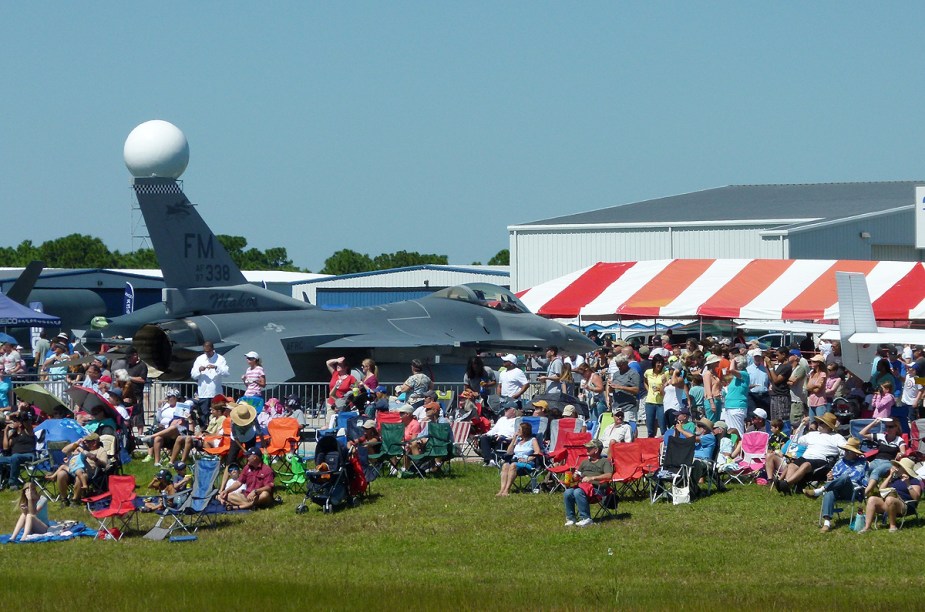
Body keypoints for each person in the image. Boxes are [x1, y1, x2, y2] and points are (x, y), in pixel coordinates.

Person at [802, 437, 868, 532]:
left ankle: (818, 491)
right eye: (845, 450)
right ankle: (827, 524)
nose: (846, 452)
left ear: (855, 453)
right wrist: (830, 477)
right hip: (837, 489)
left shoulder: (863, 463)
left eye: (849, 451)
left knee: (845, 477)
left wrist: (864, 491)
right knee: (829, 491)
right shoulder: (840, 462)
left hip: (852, 491)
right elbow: (832, 476)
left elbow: (866, 481)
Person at [774, 413, 845, 494]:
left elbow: (844, 451)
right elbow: (796, 441)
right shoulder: (812, 434)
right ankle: (787, 487)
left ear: (828, 426)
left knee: (806, 465)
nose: (818, 424)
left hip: (823, 461)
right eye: (818, 422)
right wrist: (802, 426)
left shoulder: (837, 437)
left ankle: (785, 484)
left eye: (821, 423)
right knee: (791, 465)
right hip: (806, 457)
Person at [858, 457, 922, 533]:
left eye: (899, 466)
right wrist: (890, 476)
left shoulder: (914, 481)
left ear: (905, 469)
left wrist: (908, 484)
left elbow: (916, 497)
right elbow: (881, 489)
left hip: (905, 505)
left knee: (890, 499)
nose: (896, 468)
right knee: (872, 499)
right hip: (889, 503)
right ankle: (867, 527)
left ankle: (893, 526)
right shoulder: (895, 479)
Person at [563, 439, 613, 527]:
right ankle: (571, 518)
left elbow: (609, 475)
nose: (587, 449)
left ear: (596, 450)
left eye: (589, 448)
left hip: (598, 490)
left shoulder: (604, 461)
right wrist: (574, 477)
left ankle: (586, 518)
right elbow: (577, 475)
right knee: (568, 492)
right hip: (583, 487)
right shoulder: (585, 462)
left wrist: (593, 478)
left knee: (578, 491)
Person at [48, 433, 108, 505]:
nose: (85, 442)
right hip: (73, 469)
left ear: (94, 442)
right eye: (85, 441)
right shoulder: (83, 447)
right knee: (61, 474)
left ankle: (75, 500)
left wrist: (95, 459)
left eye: (87, 441)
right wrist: (77, 443)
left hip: (88, 472)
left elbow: (104, 464)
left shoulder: (101, 451)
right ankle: (64, 499)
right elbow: (64, 450)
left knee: (80, 476)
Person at [859, 417, 907, 498]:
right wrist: (873, 423)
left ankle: (866, 492)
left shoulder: (899, 440)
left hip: (889, 463)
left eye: (890, 427)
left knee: (876, 471)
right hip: (877, 460)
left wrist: (900, 454)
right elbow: (862, 433)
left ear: (896, 427)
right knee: (865, 468)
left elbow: (903, 452)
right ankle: (862, 489)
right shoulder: (881, 436)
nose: (888, 429)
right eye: (886, 427)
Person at [496, 422, 543, 496]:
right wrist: (514, 439)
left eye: (519, 430)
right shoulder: (518, 441)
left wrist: (527, 459)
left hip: (527, 464)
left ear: (524, 431)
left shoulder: (532, 440)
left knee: (513, 465)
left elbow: (538, 452)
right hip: (515, 461)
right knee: (505, 465)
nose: (517, 431)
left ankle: (507, 490)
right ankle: (502, 490)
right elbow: (509, 452)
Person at [190, 341, 229, 429]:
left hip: (216, 393)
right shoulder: (199, 359)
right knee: (204, 414)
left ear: (213, 349)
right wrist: (199, 370)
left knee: (217, 414)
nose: (207, 353)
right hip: (203, 393)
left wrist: (216, 367)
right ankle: (205, 431)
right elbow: (193, 375)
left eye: (209, 351)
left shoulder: (220, 359)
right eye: (205, 351)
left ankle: (217, 430)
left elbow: (226, 373)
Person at [0, 411, 37, 490]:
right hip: (14, 458)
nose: (12, 423)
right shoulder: (13, 435)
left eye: (14, 422)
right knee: (10, 458)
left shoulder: (28, 431)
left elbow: (26, 421)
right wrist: (6, 431)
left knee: (15, 457)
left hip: (29, 455)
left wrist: (21, 414)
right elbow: (5, 448)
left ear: (20, 424)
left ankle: (13, 483)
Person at [722, 355, 750, 436]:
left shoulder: (745, 374)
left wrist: (733, 360)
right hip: (729, 407)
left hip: (737, 407)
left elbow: (731, 370)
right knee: (730, 431)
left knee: (738, 431)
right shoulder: (735, 378)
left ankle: (741, 447)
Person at [643, 354, 669, 438]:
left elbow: (667, 388)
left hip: (661, 402)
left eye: (661, 363)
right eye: (658, 363)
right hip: (650, 401)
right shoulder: (648, 372)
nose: (660, 365)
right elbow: (645, 381)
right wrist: (648, 390)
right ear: (654, 363)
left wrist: (664, 382)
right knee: (650, 426)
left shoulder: (665, 373)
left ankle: (664, 446)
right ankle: (650, 445)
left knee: (662, 426)